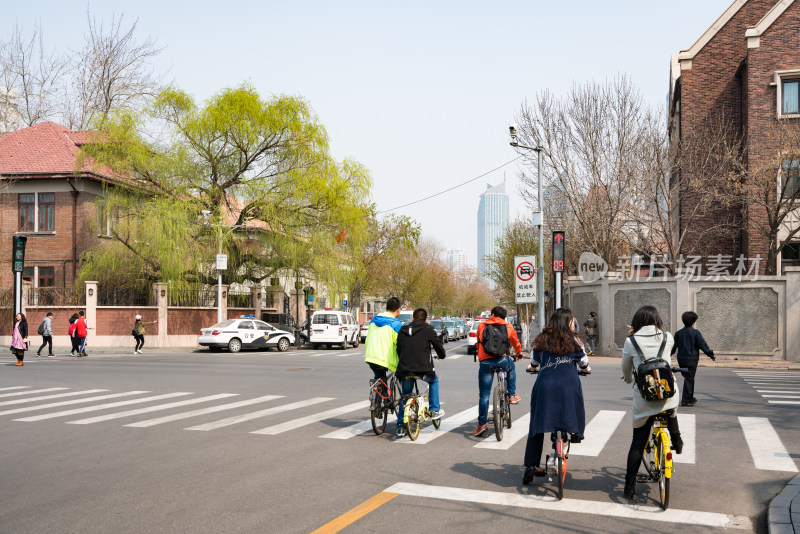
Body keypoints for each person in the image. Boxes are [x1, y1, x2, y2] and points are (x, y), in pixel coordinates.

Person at [522, 308, 590, 483]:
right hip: (568, 386)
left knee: (536, 425)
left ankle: (530, 465)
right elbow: (584, 363)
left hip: (545, 386)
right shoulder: (575, 341)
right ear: (569, 322)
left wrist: (533, 368)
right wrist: (586, 370)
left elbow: (534, 363)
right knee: (574, 407)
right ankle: (575, 433)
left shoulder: (541, 340)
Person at [621, 305, 682, 500]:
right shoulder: (667, 337)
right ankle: (677, 440)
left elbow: (625, 368)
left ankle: (629, 488)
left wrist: (630, 380)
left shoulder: (631, 341)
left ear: (637, 322)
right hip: (667, 395)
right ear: (657, 320)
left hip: (645, 399)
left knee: (638, 442)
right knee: (670, 409)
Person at [396, 307, 447, 436]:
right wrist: (442, 355)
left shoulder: (402, 330)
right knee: (434, 381)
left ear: (412, 318)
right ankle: (434, 410)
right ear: (425, 320)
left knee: (405, 395)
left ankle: (400, 427)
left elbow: (398, 349)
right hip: (423, 369)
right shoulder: (428, 329)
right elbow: (438, 345)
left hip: (405, 369)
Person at [474, 305, 523, 437]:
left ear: (493, 314)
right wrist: (519, 353)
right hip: (502, 360)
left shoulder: (482, 326)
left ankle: (481, 425)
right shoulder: (508, 327)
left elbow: (479, 341)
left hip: (485, 362)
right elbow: (516, 343)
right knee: (511, 366)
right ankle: (511, 394)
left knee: (484, 395)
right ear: (504, 316)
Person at [364, 296, 403, 432]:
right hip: (385, 359)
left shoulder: (373, 321)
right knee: (400, 377)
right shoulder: (396, 324)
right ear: (398, 310)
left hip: (371, 356)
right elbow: (400, 344)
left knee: (380, 377)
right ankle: (387, 401)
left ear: (386, 308)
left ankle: (378, 399)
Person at [671, 311, 715, 407]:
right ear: (693, 322)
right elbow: (703, 345)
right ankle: (686, 400)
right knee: (689, 378)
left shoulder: (678, 333)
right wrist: (710, 355)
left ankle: (690, 397)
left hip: (681, 360)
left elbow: (674, 347)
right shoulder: (695, 333)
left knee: (688, 378)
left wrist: (668, 354)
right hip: (691, 360)